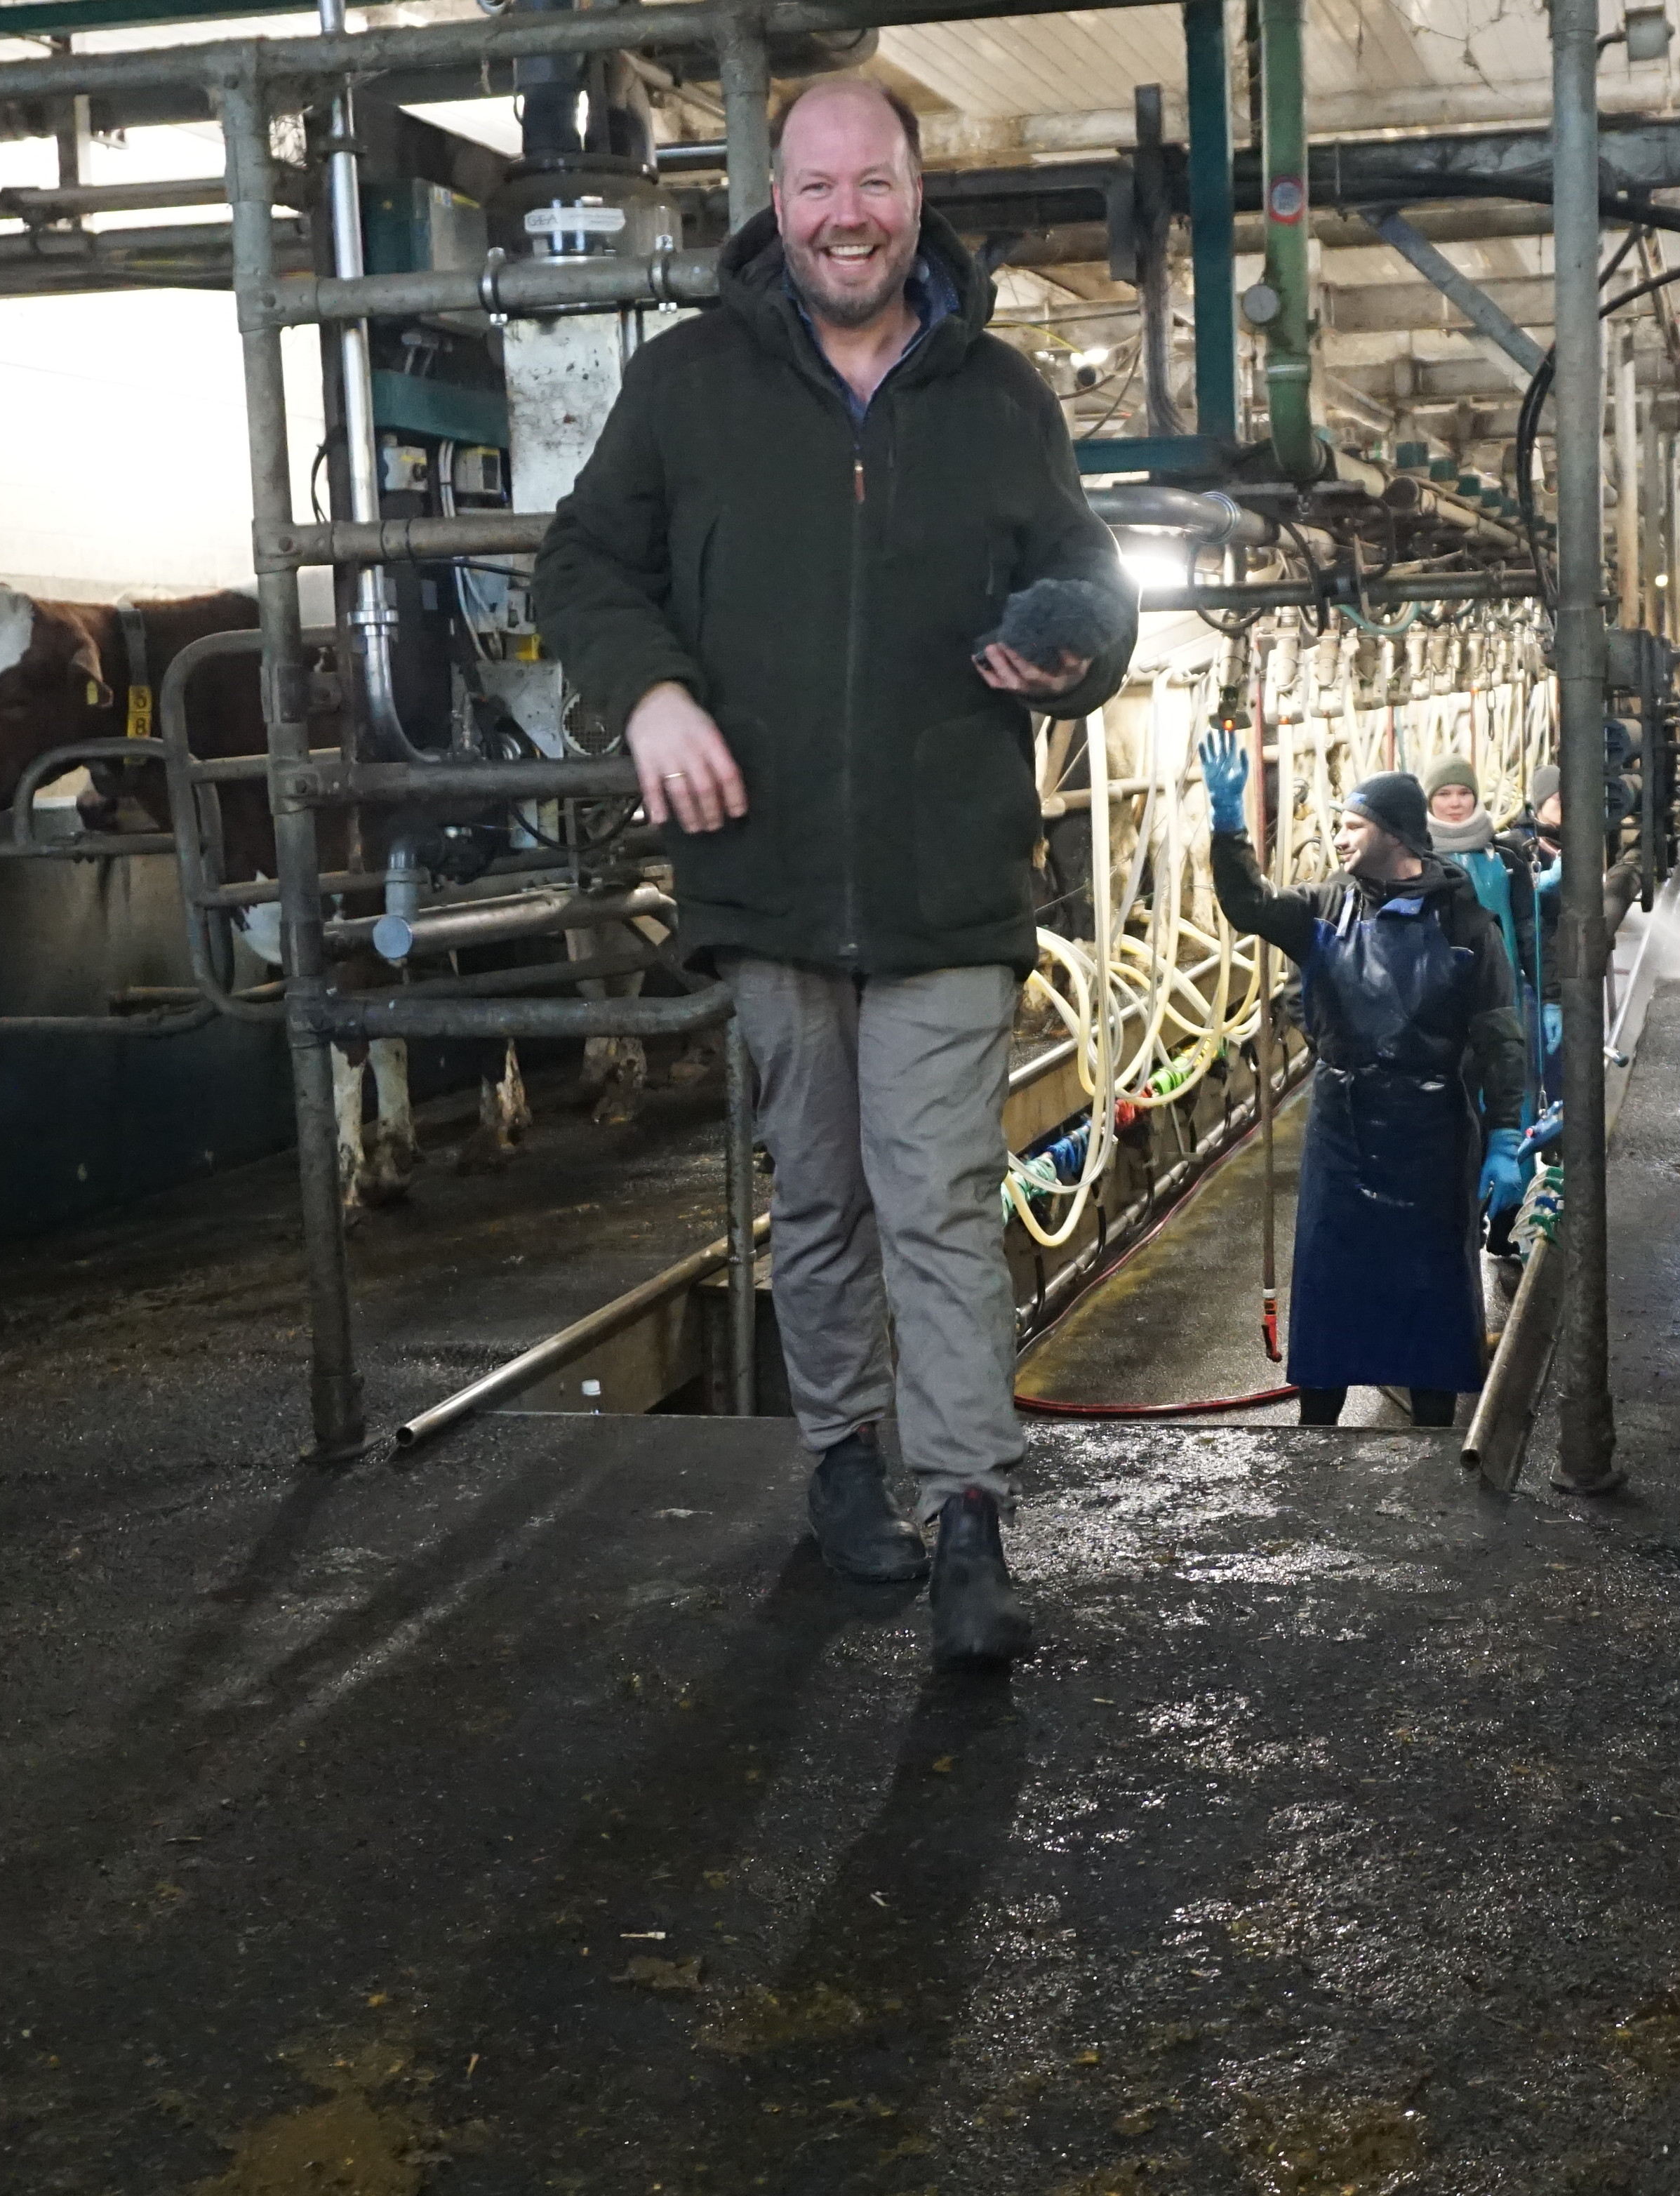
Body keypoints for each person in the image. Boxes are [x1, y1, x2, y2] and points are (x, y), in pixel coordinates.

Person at [534, 75, 1133, 1666]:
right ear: (774, 202)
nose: (845, 212)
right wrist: (649, 691)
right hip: (766, 867)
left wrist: (1077, 638)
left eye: (872, 181)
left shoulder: (1000, 396)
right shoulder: (686, 387)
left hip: (946, 871)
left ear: (918, 194)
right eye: (814, 186)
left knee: (932, 1193)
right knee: (819, 1200)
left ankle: (968, 1518)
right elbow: (583, 561)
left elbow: (1081, 567)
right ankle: (842, 1461)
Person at [1198, 733, 1529, 1431]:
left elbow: (1499, 1033)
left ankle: (1435, 1446)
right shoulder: (1323, 907)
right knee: (1331, 1294)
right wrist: (1228, 828)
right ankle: (1314, 1437)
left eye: (1354, 825)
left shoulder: (1468, 921)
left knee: (1431, 1299)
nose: (1340, 836)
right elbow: (1250, 906)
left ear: (1397, 834)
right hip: (1342, 1132)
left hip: (1433, 1136)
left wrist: (1504, 1134)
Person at [1422, 757, 1545, 1237]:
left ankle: (1511, 1224)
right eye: (1444, 795)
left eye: (1463, 794)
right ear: (1429, 802)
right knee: (1461, 1110)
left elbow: (1529, 928)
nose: (1455, 803)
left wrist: (1550, 995)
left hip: (1503, 998)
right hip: (1446, 1009)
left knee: (1512, 1103)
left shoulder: (1507, 859)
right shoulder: (1418, 863)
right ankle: (1465, 1218)